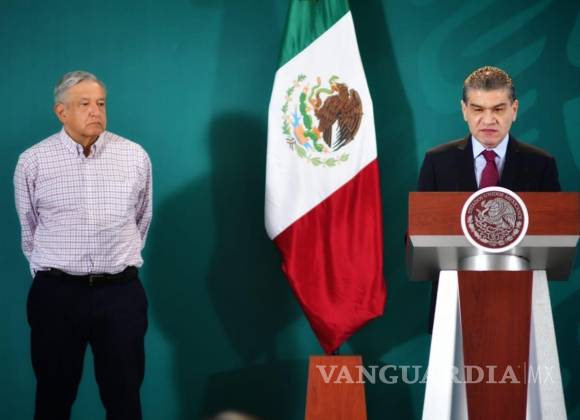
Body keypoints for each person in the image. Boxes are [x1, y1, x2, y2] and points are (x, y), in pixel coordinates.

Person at [14, 71, 153, 420]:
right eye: (85, 104)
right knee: (53, 398)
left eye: (101, 104)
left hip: (120, 295)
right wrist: (57, 275)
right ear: (61, 112)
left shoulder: (134, 156)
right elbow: (29, 229)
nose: (96, 111)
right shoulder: (33, 161)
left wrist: (116, 262)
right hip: (56, 296)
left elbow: (142, 218)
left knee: (125, 399)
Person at [417, 66, 560, 330]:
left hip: (520, 303)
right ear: (464, 110)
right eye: (478, 109)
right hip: (453, 303)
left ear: (514, 109)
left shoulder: (541, 164)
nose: (488, 120)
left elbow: (556, 237)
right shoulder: (437, 163)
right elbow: (418, 235)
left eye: (498, 109)